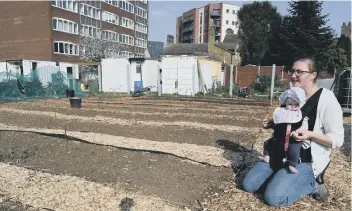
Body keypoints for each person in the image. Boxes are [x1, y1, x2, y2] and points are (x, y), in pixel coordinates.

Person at [242, 58, 344, 206]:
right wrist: (273, 123)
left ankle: (314, 185)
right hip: (279, 155)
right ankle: (280, 178)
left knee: (273, 198)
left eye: (299, 72)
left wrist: (310, 135)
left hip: (304, 160)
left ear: (313, 75)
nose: (294, 75)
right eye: (293, 71)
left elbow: (337, 139)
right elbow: (287, 123)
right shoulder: (291, 94)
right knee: (249, 185)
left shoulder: (326, 100)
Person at [260, 87, 309, 174]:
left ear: (301, 104)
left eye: (296, 105)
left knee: (294, 151)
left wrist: (298, 131)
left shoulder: (301, 115)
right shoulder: (282, 113)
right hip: (279, 139)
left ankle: (292, 164)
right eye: (290, 104)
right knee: (268, 144)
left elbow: (305, 126)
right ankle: (267, 156)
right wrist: (270, 123)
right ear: (285, 102)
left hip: (293, 140)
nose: (292, 107)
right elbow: (277, 123)